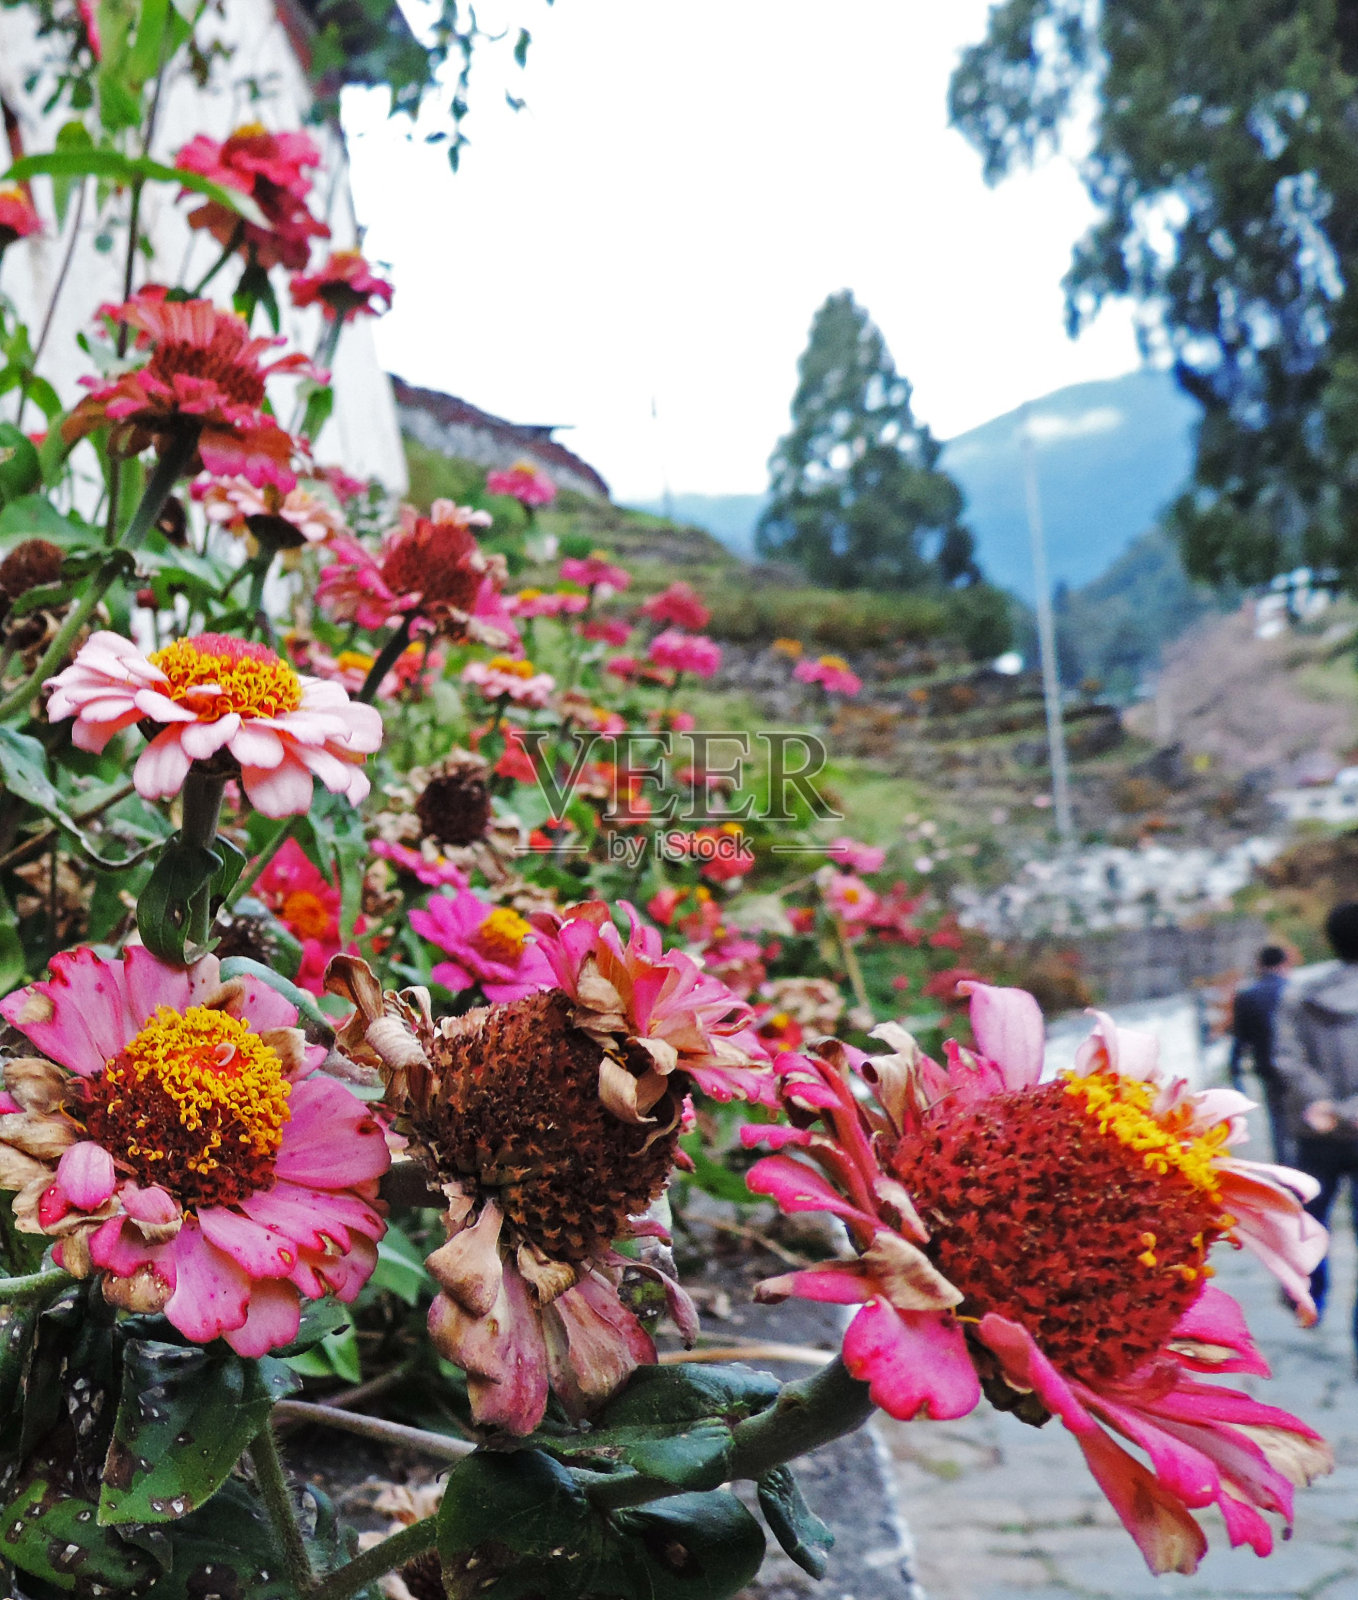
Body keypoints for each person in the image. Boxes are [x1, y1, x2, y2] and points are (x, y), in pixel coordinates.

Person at [1273, 903, 1358, 1354]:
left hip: (1315, 1130)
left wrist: (1325, 1104)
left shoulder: (1298, 997)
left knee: (1311, 1221)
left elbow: (1285, 1059)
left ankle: (1308, 1298)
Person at [1228, 944, 1292, 1164]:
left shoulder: (1247, 996)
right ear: (1285, 963)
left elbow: (1240, 1037)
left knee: (1279, 1124)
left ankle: (1287, 1175)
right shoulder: (1295, 990)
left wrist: (1234, 1068)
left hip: (1268, 1067)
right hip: (1298, 1066)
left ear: (1260, 965)